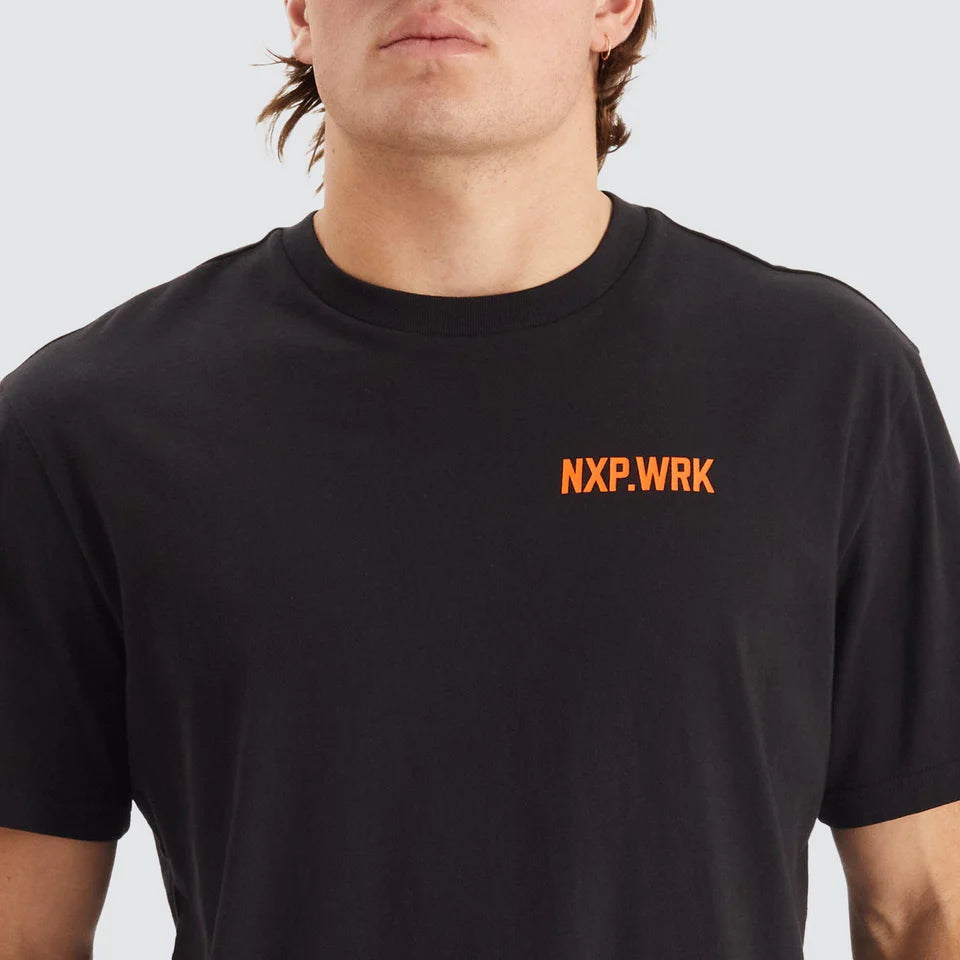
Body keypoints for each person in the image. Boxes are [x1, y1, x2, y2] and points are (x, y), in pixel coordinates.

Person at [1, 0, 959, 957]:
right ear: (300, 9)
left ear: (612, 9)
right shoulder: (86, 425)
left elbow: (926, 905)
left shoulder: (824, 385)